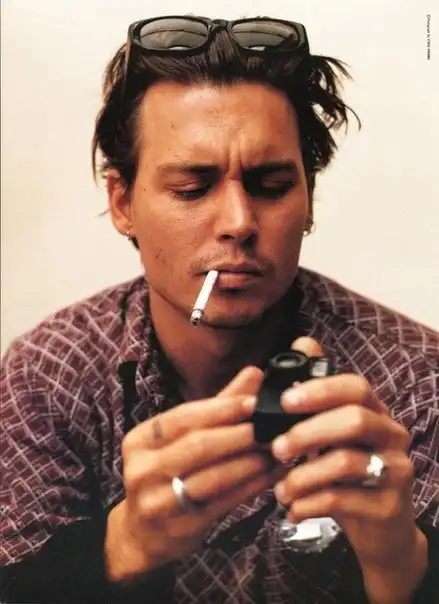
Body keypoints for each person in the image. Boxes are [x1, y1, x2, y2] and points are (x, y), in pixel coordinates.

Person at [1, 15, 438, 604]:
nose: (238, 222)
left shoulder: (413, 379)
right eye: (192, 186)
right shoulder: (48, 376)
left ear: (309, 200)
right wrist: (123, 545)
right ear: (122, 203)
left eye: (271, 185)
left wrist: (401, 563)